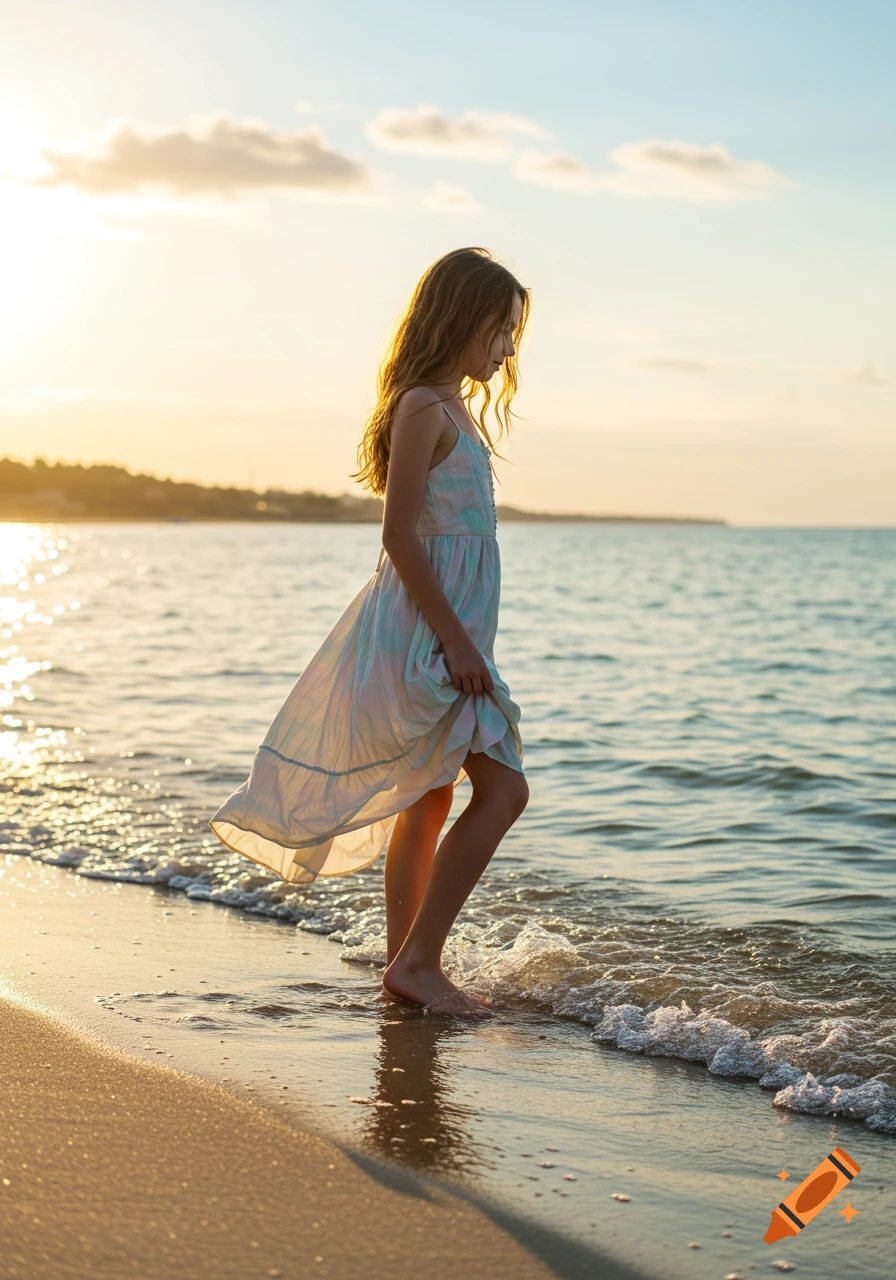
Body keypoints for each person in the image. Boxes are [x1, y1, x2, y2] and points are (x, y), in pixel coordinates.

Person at [209, 246, 531, 1019]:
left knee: (428, 800)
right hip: (424, 634)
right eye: (500, 329)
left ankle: (405, 965)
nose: (508, 348)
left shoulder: (452, 410)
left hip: (442, 632)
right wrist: (455, 641)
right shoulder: (422, 405)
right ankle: (418, 961)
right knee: (504, 790)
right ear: (460, 319)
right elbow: (398, 534)